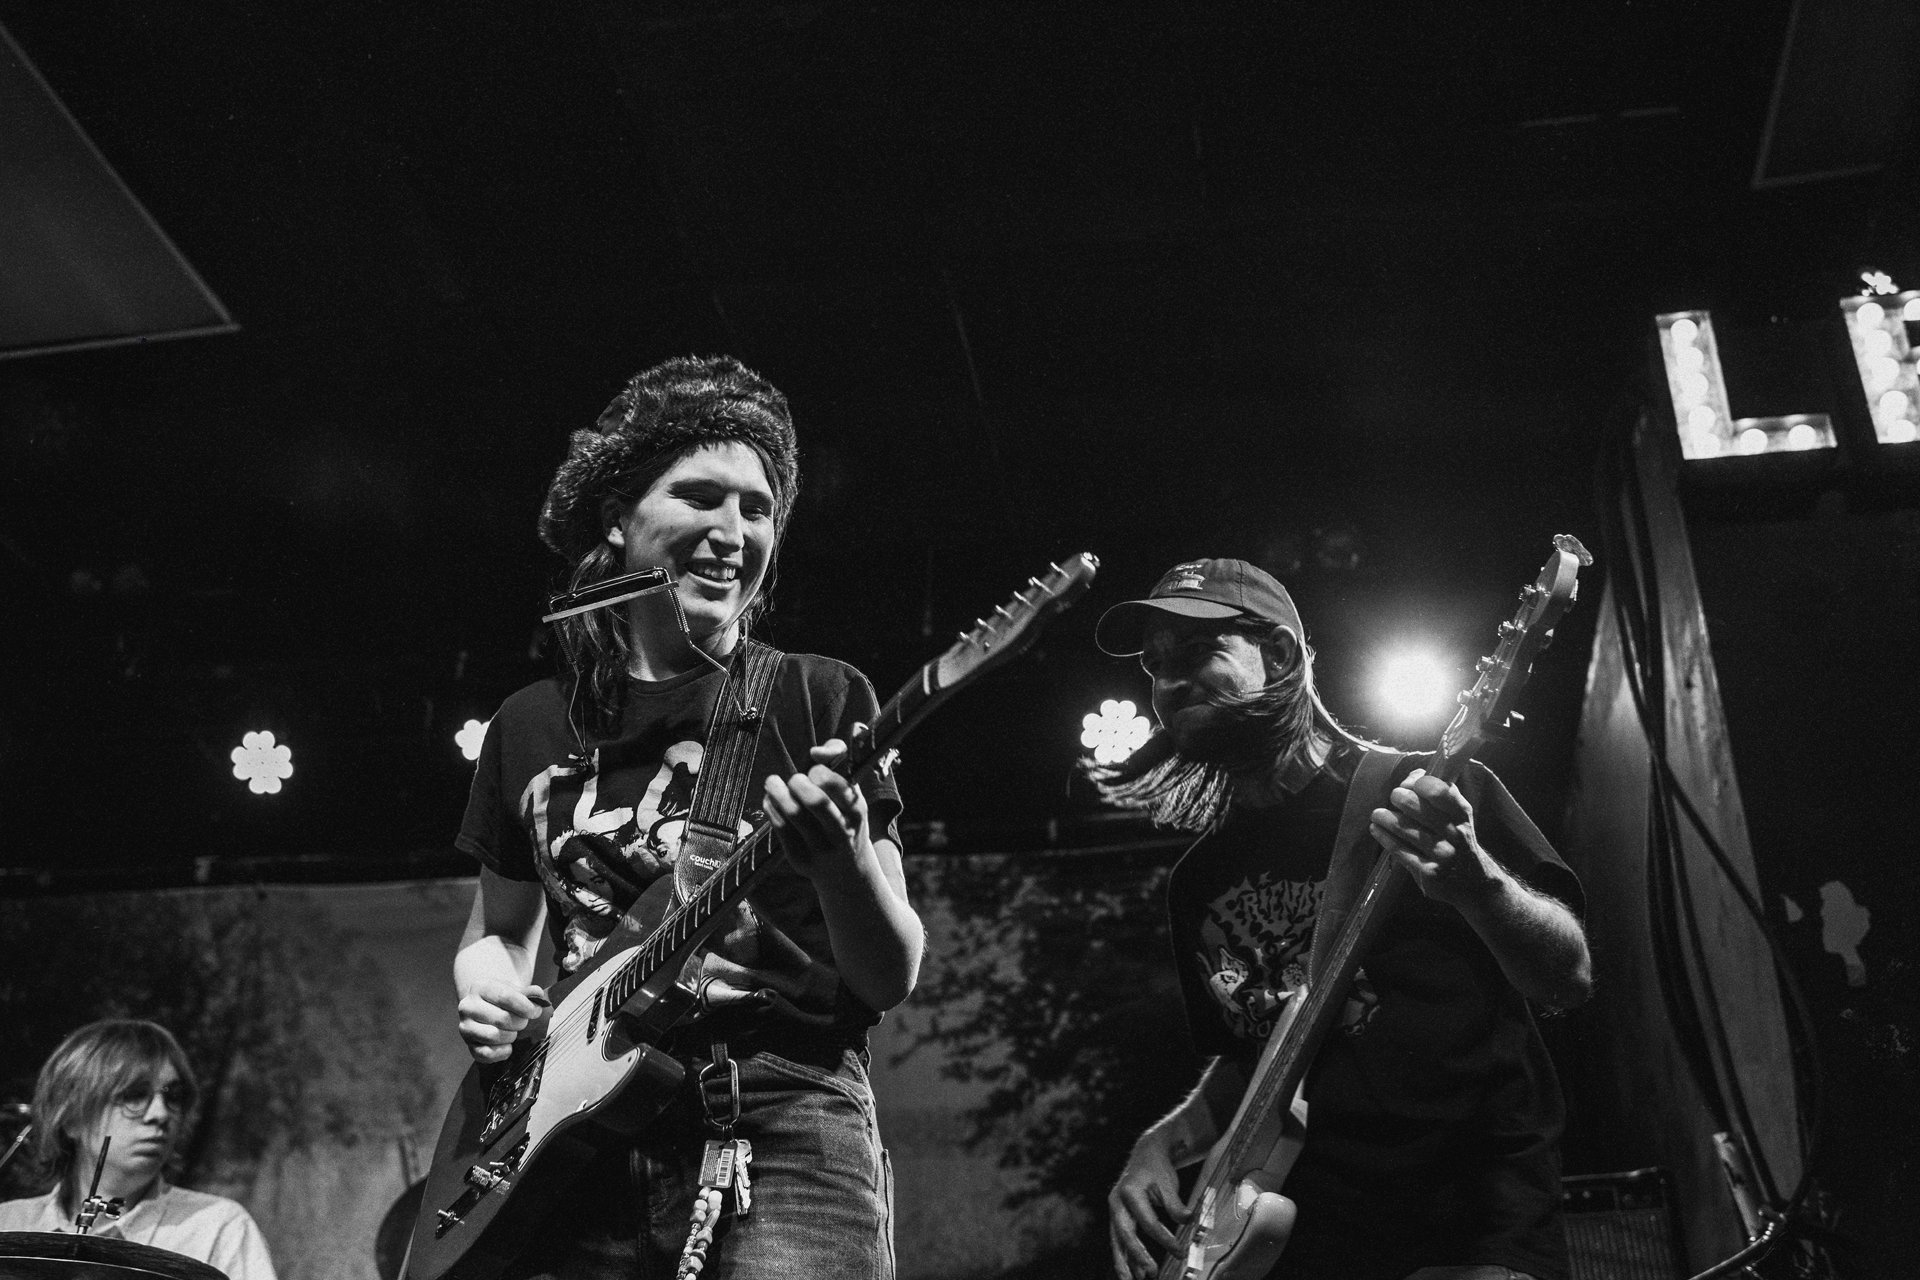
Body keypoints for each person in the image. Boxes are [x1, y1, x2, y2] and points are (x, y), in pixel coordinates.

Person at [454, 355, 922, 1279]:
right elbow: (499, 931)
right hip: (569, 1139)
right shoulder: (529, 723)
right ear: (617, 518)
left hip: (778, 1117)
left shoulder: (820, 696)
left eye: (758, 510)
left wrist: (841, 863)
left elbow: (890, 972)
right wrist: (486, 987)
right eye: (700, 498)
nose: (732, 533)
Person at [1095, 558, 1592, 1280]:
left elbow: (1568, 977)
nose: (1170, 682)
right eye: (1156, 664)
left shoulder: (1422, 794)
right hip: (1309, 1235)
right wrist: (1161, 1144)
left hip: (1474, 1223)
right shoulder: (1198, 880)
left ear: (1278, 655)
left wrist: (1476, 882)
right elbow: (1252, 1057)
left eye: (1198, 651)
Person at [0, 1019, 277, 1280]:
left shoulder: (218, 1227)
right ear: (71, 1117)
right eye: (134, 1095)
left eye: (173, 1096)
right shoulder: (9, 1222)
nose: (160, 1114)